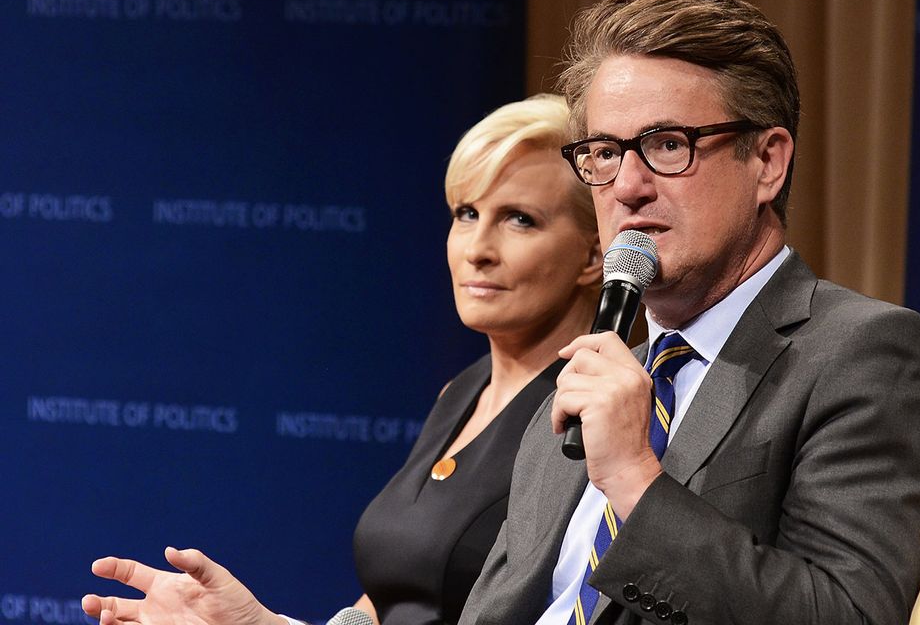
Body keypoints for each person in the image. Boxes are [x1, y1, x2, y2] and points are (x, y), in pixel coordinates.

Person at [457, 0, 920, 625]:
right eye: (605, 152)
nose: (628, 187)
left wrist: (634, 481)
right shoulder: (595, 379)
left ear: (767, 161)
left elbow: (845, 614)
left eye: (669, 145)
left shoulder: (869, 358)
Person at [81, 94, 604, 625]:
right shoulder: (460, 393)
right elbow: (390, 603)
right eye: (467, 214)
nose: (477, 248)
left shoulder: (591, 413)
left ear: (594, 254)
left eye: (519, 220)